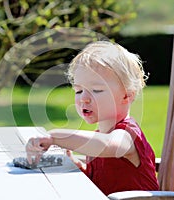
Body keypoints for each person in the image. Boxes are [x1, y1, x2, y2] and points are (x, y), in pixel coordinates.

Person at [25, 41, 159, 195]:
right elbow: (103, 180)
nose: (83, 99)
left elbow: (108, 146)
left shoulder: (127, 135)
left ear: (126, 95)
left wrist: (54, 137)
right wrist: (78, 166)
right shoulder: (98, 139)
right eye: (78, 91)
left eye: (96, 90)